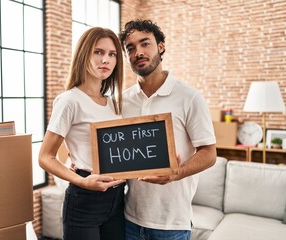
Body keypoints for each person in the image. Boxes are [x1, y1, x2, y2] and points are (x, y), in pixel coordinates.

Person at [119, 19, 217, 240]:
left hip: (172, 224)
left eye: (145, 44)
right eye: (130, 48)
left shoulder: (189, 97)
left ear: (160, 46)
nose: (138, 52)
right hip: (128, 219)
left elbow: (210, 154)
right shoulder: (123, 101)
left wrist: (176, 173)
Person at [38, 27, 126, 240]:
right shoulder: (69, 100)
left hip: (118, 198)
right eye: (98, 52)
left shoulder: (114, 104)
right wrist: (82, 181)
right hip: (85, 198)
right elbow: (44, 157)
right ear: (84, 54)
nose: (106, 59)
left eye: (112, 54)